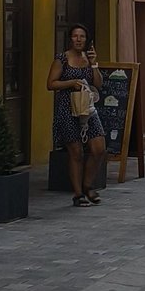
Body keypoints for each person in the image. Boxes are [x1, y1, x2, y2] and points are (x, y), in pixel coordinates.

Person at [47, 24, 105, 205]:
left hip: (87, 108)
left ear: (86, 40)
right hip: (67, 107)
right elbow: (51, 84)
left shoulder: (88, 59)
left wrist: (95, 64)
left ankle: (88, 185)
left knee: (99, 148)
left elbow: (98, 84)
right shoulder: (62, 59)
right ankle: (78, 193)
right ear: (70, 38)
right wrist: (71, 82)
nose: (79, 39)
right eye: (75, 36)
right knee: (76, 152)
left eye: (82, 36)